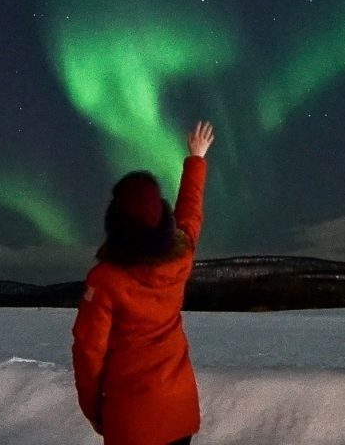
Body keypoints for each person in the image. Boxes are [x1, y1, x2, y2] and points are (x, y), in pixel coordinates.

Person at [72, 120, 215, 445]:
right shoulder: (180, 259)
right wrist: (196, 158)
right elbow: (190, 214)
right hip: (178, 413)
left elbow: (89, 352)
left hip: (131, 423)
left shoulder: (105, 281)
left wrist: (95, 411)